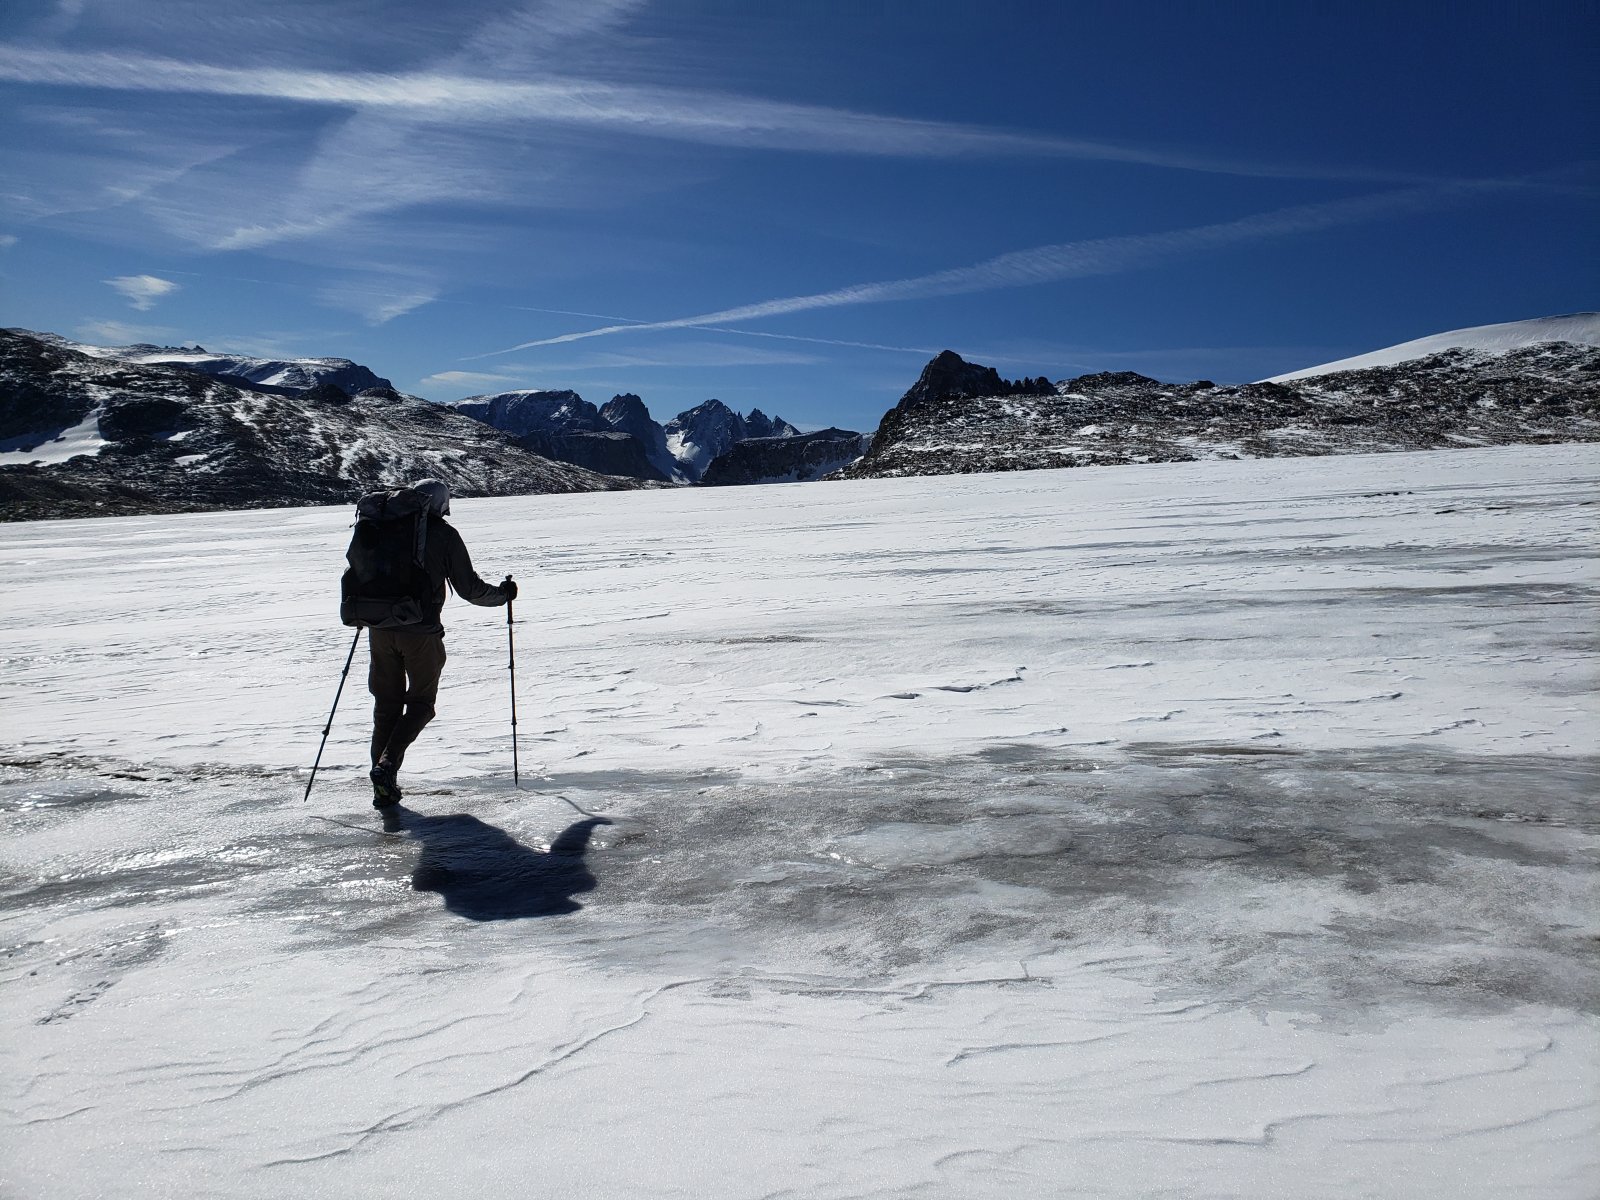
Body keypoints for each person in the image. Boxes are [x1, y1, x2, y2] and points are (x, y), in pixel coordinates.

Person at [366, 477, 516, 808]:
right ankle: (386, 766)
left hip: (379, 629)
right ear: (442, 504)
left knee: (386, 707)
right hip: (420, 633)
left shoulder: (385, 527)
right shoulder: (445, 535)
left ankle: (383, 784)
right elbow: (470, 589)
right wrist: (504, 596)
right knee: (421, 704)